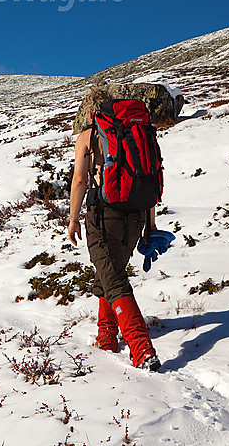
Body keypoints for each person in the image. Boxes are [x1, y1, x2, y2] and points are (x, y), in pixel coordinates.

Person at [67, 88, 161, 371]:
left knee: (114, 280)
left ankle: (141, 348)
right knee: (109, 273)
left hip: (102, 215)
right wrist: (151, 223)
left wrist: (73, 219)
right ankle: (106, 334)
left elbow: (80, 180)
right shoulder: (137, 132)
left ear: (89, 111)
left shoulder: (89, 136)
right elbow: (149, 175)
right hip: (136, 215)